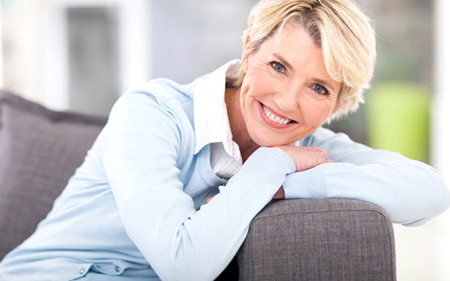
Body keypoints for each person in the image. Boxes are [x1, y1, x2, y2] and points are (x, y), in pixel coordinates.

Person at [1, 0, 449, 280]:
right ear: (249, 48)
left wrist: (285, 184)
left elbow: (430, 190)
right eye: (278, 66)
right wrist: (269, 169)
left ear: (338, 103)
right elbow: (184, 266)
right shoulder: (152, 112)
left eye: (319, 88)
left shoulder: (307, 150)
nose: (288, 102)